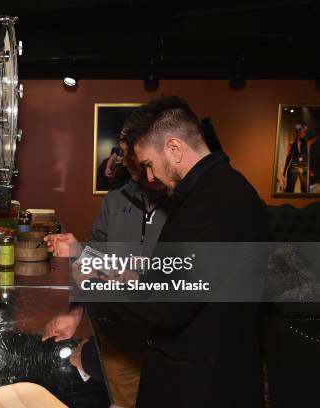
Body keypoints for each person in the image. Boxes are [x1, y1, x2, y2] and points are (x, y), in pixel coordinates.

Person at [46, 96, 270, 408]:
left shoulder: (213, 200)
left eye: (149, 164)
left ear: (175, 148)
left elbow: (166, 302)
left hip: (203, 385)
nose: (149, 177)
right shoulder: (220, 189)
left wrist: (94, 288)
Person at [44, 126, 169, 407]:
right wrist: (75, 313)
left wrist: (78, 250)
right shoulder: (115, 201)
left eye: (129, 154)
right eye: (123, 154)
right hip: (119, 342)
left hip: (168, 345)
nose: (124, 161)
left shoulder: (184, 205)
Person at [283, 123, 309, 193]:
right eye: (303, 132)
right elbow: (289, 157)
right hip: (294, 166)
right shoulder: (292, 143)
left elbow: (308, 156)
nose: (304, 134)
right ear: (298, 132)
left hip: (303, 166)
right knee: (290, 187)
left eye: (305, 132)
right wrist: (285, 170)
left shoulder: (306, 143)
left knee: (305, 188)